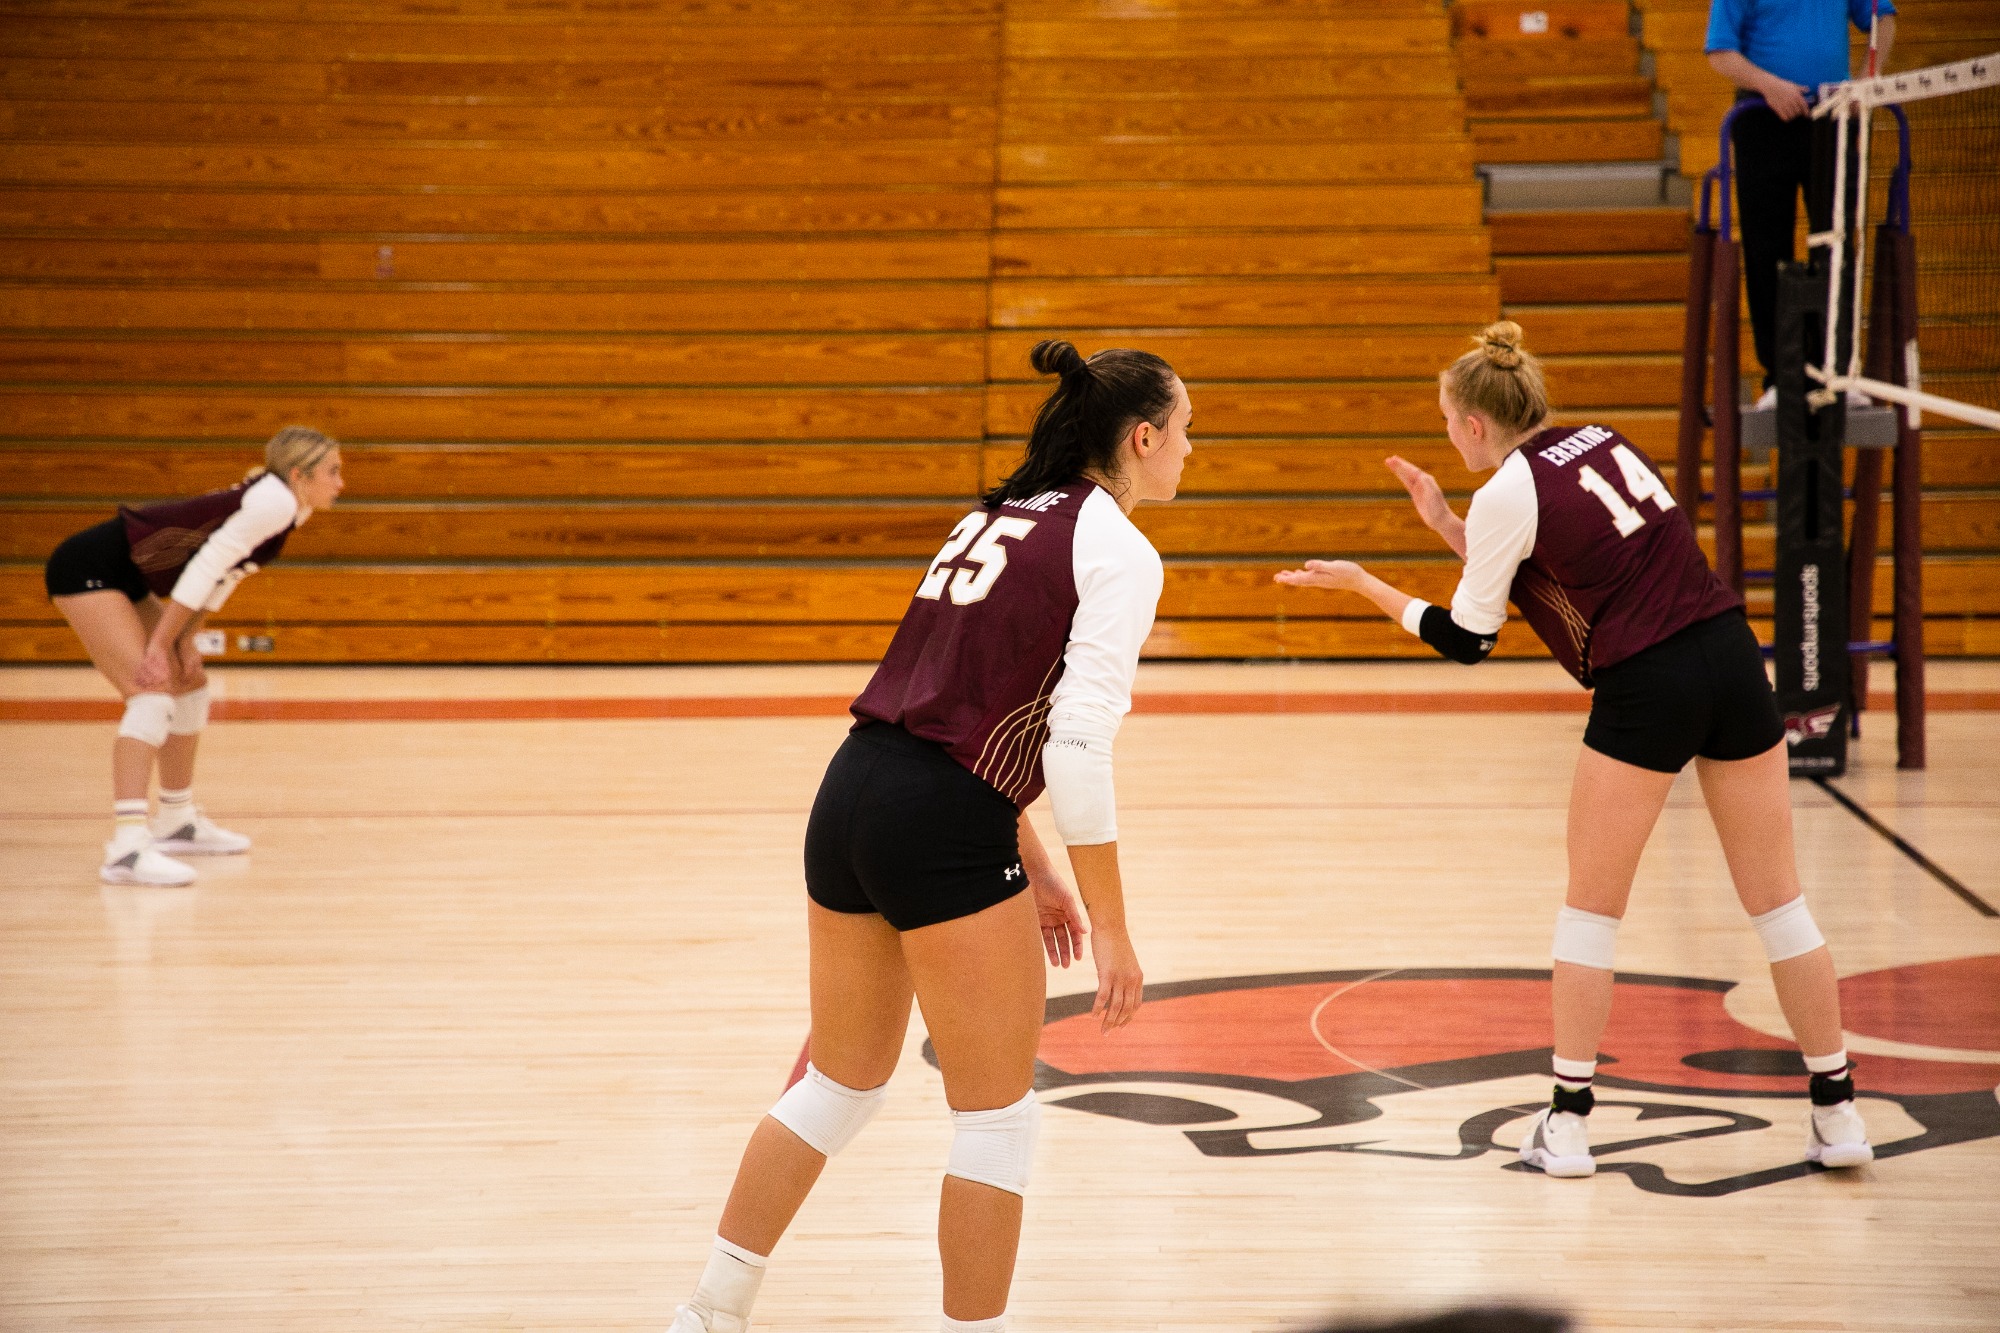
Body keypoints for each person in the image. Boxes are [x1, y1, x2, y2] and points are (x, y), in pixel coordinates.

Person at [665, 340, 1189, 1333]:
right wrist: (1113, 927)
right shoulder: (1118, 546)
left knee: (837, 1082)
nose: (1191, 453)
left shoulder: (990, 514)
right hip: (939, 819)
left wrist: (1027, 854)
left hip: (853, 790)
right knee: (995, 1120)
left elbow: (950, 703)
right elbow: (1073, 746)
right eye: (1186, 431)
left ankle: (707, 1312)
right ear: (1141, 435)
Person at [1274, 322, 1872, 1177]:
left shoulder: (1509, 492)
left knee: (1590, 912)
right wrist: (1447, 519)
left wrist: (1367, 584)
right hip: (1733, 656)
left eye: (1447, 420)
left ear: (1474, 426)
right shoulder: (1602, 441)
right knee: (1780, 904)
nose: (1447, 435)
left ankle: (1569, 1122)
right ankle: (1839, 1111)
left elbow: (1468, 639)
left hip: (1649, 684)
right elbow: (1551, 567)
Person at [43, 426, 345, 886]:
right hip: (87, 568)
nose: (341, 484)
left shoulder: (291, 508)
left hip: (125, 576)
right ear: (300, 474)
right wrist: (161, 645)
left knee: (189, 685)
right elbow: (205, 566)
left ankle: (176, 821)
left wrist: (186, 641)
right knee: (150, 694)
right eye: (333, 472)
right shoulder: (275, 501)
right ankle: (126, 848)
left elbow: (223, 575)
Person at [1706, 0, 1895, 406]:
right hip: (1763, 117)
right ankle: (1780, 378)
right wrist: (1768, 85)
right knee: (1766, 251)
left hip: (1834, 117)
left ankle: (1839, 376)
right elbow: (1720, 52)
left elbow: (1883, 18)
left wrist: (1867, 80)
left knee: (1838, 246)